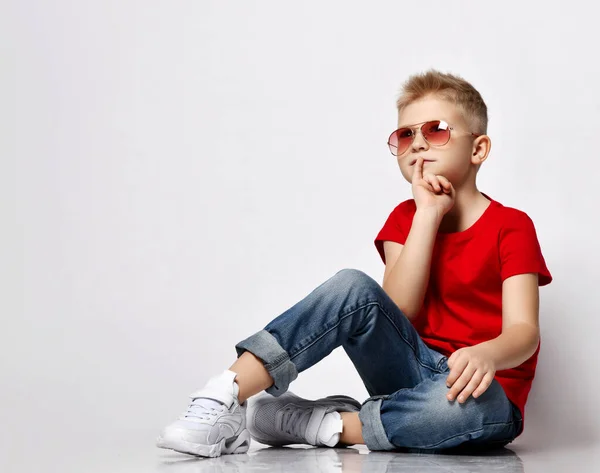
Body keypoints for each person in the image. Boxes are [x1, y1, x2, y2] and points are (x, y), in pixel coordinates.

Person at [156, 69, 552, 457]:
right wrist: (427, 214)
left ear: (478, 149)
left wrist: (489, 354)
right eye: (405, 134)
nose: (417, 143)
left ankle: (328, 424)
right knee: (352, 284)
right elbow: (397, 308)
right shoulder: (404, 218)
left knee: (470, 408)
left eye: (436, 130)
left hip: (481, 391)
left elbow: (524, 331)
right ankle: (223, 397)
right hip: (409, 373)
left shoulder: (511, 226)